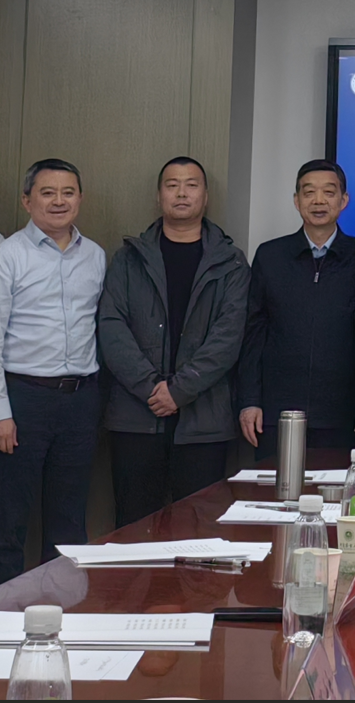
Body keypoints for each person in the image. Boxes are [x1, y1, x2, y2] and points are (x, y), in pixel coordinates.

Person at [0, 158, 107, 585]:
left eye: (68, 192)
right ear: (27, 201)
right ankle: (2, 614)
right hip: (23, 399)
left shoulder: (96, 256)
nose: (58, 201)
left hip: (80, 400)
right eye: (47, 193)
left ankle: (61, 608)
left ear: (80, 199)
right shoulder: (5, 256)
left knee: (69, 519)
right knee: (8, 521)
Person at [99, 156, 250, 526]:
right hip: (137, 416)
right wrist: (151, 388)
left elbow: (228, 337)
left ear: (205, 196)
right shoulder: (128, 260)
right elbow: (111, 327)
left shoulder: (231, 263)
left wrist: (179, 390)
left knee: (198, 531)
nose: (182, 193)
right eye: (172, 185)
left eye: (191, 185)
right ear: (159, 196)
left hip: (204, 420)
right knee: (133, 529)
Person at [238, 159, 355, 457]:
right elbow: (253, 334)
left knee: (337, 486)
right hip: (277, 412)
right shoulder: (270, 256)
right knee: (276, 486)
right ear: (297, 201)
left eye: (329, 192)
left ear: (343, 200)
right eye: (309, 192)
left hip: (343, 413)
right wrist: (249, 400)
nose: (318, 201)